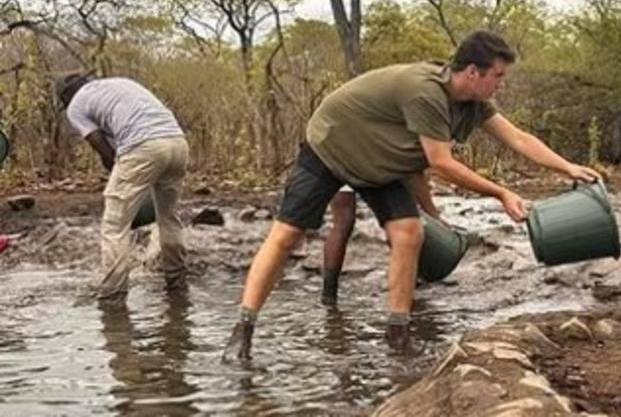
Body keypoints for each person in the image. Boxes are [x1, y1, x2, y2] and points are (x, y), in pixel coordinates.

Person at [222, 30, 600, 361]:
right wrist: (501, 193)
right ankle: (243, 327)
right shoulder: (426, 92)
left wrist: (566, 167)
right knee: (287, 234)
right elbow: (440, 163)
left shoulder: (474, 102)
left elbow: (516, 137)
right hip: (332, 146)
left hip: (381, 164)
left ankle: (397, 333)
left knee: (409, 232)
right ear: (473, 72)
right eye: (498, 76)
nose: (500, 84)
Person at [56, 73, 189, 302]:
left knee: (114, 225)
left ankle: (112, 295)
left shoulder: (76, 105)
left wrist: (115, 169)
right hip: (177, 143)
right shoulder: (120, 83)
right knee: (168, 217)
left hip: (143, 146)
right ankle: (176, 282)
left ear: (66, 97)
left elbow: (101, 146)